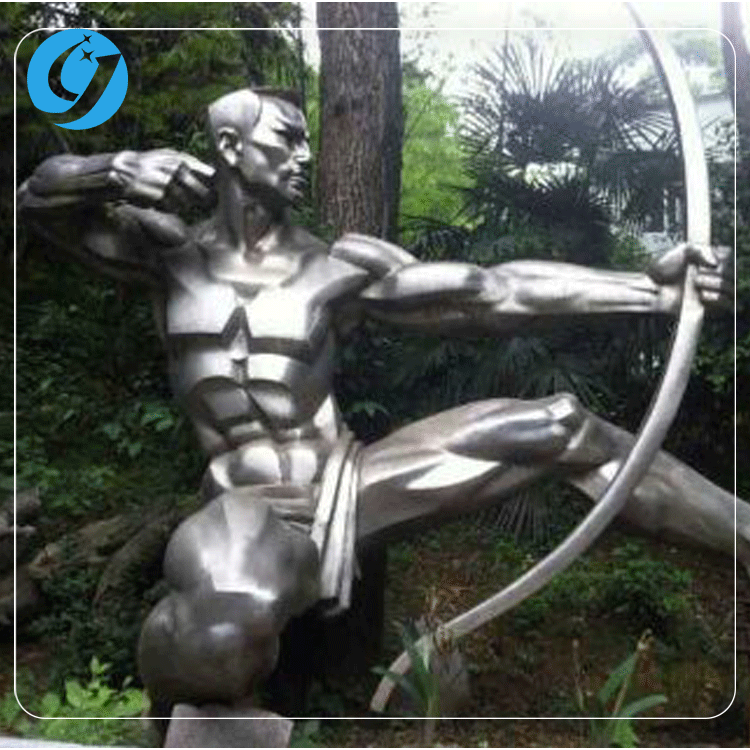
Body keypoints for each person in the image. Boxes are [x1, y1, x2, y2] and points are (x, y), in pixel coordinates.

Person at [19, 87, 742, 711]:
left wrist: (651, 291)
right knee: (218, 645)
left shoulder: (336, 267)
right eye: (286, 139)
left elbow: (491, 291)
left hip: (348, 488)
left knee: (562, 426)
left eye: (308, 141)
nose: (305, 156)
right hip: (244, 511)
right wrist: (114, 168)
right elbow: (38, 201)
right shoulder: (169, 255)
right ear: (231, 148)